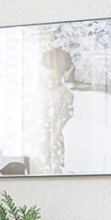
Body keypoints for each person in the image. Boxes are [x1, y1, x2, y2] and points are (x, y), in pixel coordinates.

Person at [27, 47, 75, 175]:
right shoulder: (36, 92)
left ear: (62, 73)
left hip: (52, 144)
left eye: (55, 70)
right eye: (47, 69)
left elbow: (59, 124)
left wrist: (47, 147)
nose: (50, 73)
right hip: (34, 141)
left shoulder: (66, 94)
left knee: (51, 175)